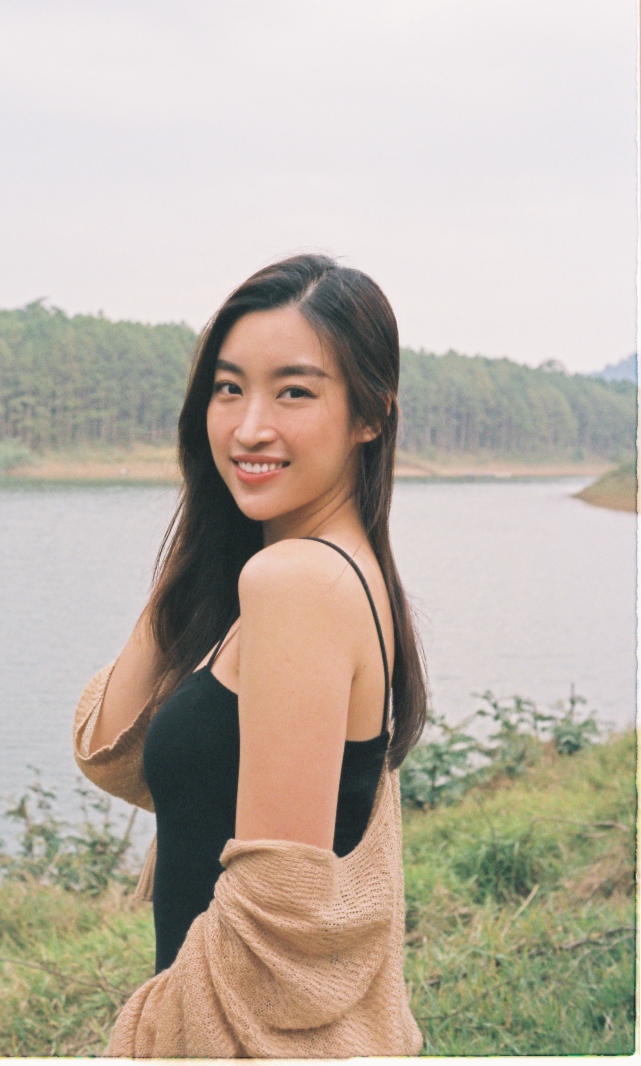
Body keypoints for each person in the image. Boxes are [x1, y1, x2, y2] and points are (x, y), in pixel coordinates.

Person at [74, 253, 426, 1057]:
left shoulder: (298, 582)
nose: (249, 427)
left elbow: (272, 927)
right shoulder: (318, 569)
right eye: (229, 388)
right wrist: (210, 525)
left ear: (370, 415)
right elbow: (112, 748)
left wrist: (145, 1041)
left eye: (294, 391)